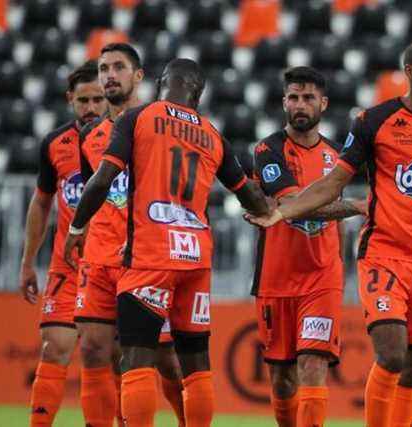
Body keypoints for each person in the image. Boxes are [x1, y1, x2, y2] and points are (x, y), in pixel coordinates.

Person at [248, 39, 412, 427]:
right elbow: (332, 184)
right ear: (410, 72)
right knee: (392, 353)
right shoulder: (374, 121)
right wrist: (284, 213)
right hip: (385, 255)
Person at [65, 58, 270, 427]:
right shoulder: (213, 134)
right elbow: (251, 197)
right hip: (195, 259)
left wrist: (77, 226)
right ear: (198, 93)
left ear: (162, 83)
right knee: (195, 364)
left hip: (150, 255)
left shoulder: (137, 118)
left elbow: (102, 178)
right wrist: (272, 212)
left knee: (136, 360)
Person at [70, 43, 186, 427]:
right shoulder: (90, 136)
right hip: (101, 257)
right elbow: (95, 189)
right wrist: (80, 227)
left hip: (145, 258)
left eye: (119, 67)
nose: (109, 75)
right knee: (91, 350)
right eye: (104, 68)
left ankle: (190, 419)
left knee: (165, 360)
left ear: (138, 77)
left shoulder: (158, 126)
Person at [251, 66, 366, 427]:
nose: (300, 104)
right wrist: (356, 206)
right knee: (282, 379)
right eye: (294, 97)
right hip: (276, 276)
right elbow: (290, 204)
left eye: (308, 98)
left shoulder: (337, 155)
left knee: (313, 364)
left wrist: (342, 265)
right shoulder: (267, 150)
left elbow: (306, 211)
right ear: (284, 102)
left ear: (323, 103)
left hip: (323, 277)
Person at [18, 59, 106, 427]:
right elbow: (41, 202)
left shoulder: (126, 140)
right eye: (83, 100)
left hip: (111, 265)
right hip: (67, 267)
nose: (90, 108)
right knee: (55, 347)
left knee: (104, 355)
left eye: (97, 100)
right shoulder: (56, 143)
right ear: (70, 99)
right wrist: (27, 262)